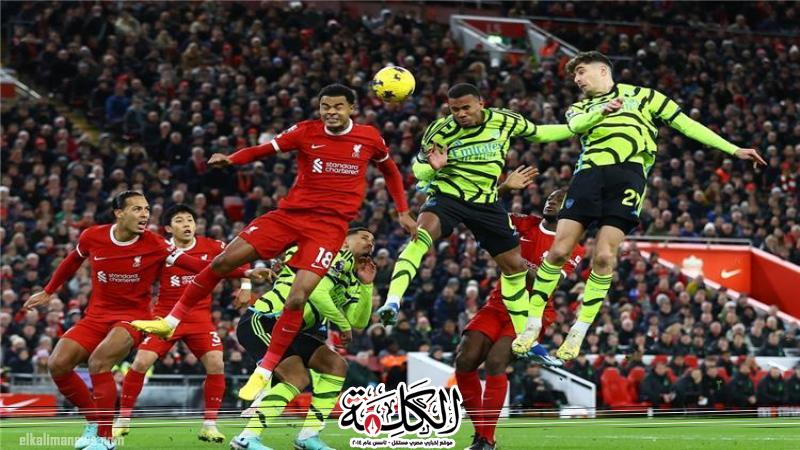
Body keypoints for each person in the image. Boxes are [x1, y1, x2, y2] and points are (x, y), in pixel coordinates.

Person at [132, 84, 414, 397]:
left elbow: (391, 172)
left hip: (328, 229)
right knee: (223, 261)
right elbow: (264, 150)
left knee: (297, 298)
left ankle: (264, 370)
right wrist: (233, 159)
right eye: (325, 106)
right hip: (289, 216)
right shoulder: (305, 131)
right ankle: (170, 321)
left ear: (351, 109)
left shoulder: (369, 137)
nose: (331, 112)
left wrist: (403, 212)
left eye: (337, 107)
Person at [518, 51, 766, 361]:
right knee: (558, 252)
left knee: (604, 256)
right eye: (574, 76)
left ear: (602, 70)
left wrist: (733, 149)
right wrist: (601, 112)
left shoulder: (646, 96)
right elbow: (577, 125)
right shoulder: (579, 107)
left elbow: (686, 124)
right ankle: (532, 323)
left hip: (629, 176)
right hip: (589, 175)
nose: (577, 79)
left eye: (581, 72)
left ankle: (578, 330)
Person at [22, 191, 270, 450]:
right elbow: (73, 260)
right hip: (95, 316)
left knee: (99, 362)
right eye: (137, 209)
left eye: (147, 210)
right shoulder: (92, 236)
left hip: (134, 318)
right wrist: (48, 291)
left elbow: (197, 265)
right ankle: (94, 422)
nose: (144, 215)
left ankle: (106, 438)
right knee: (58, 364)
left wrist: (246, 274)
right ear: (119, 213)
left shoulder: (155, 243)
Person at [377, 82, 574, 346]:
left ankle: (525, 340)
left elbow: (539, 133)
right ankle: (392, 301)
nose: (460, 114)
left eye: (466, 108)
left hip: (486, 202)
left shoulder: (504, 120)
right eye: (454, 109)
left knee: (514, 267)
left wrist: (580, 126)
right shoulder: (440, 130)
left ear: (481, 103)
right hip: (449, 196)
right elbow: (419, 169)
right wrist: (433, 167)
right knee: (420, 235)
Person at [455, 169, 584, 450]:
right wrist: (504, 188)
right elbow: (482, 211)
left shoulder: (574, 248)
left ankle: (486, 440)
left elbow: (545, 283)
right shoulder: (524, 223)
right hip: (498, 302)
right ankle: (482, 435)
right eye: (550, 197)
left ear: (571, 208)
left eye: (560, 199)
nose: (552, 201)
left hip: (532, 313)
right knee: (464, 361)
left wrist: (513, 260)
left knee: (495, 362)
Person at [113, 204, 252, 442]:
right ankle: (123, 420)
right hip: (165, 317)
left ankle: (209, 425)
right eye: (179, 220)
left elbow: (241, 257)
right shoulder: (160, 250)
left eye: (190, 220)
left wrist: (246, 286)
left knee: (216, 364)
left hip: (199, 319)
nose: (187, 224)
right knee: (140, 362)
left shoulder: (212, 246)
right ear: (168, 228)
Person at [231, 228, 377, 450]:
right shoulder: (329, 256)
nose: (370, 243)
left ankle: (308, 436)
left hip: (296, 331)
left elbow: (359, 321)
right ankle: (246, 438)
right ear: (345, 242)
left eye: (373, 240)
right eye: (364, 237)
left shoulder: (351, 280)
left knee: (336, 365)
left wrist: (366, 285)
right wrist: (343, 325)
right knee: (296, 377)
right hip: (265, 320)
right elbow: (317, 294)